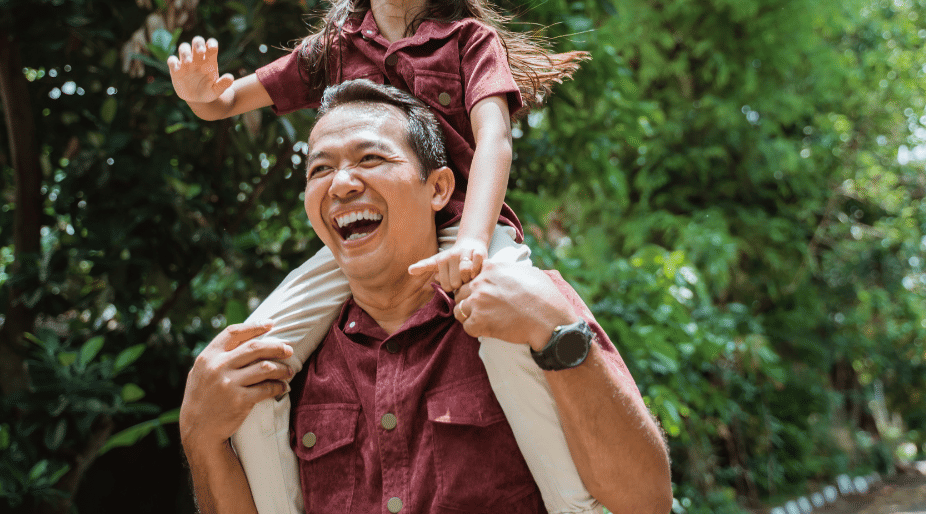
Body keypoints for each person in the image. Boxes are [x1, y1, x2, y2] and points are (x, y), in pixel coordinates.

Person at [168, 0, 593, 513]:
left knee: (512, 334)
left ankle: (576, 505)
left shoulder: (469, 41)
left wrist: (475, 244)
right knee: (253, 357)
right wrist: (198, 91)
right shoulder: (335, 49)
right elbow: (226, 102)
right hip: (367, 238)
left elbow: (495, 141)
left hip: (464, 226)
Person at [179, 80, 672, 513]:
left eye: (370, 158)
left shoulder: (527, 311)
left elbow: (644, 502)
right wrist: (200, 437)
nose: (342, 184)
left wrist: (557, 330)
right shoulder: (288, 363)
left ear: (438, 188)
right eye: (319, 170)